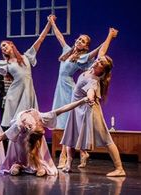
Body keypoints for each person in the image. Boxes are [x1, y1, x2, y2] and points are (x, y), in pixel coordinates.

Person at [61, 27, 126, 177]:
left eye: (101, 63)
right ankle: (69, 163)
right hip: (76, 109)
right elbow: (102, 51)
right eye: (98, 60)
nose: (98, 61)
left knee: (105, 138)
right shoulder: (92, 67)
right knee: (70, 137)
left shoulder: (94, 80)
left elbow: (91, 93)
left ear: (102, 70)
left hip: (90, 111)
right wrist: (109, 35)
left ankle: (119, 168)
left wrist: (90, 99)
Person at [0, 97, 88, 177]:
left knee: (38, 162)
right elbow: (0, 138)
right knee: (20, 158)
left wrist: (82, 101)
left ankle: (35, 165)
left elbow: (63, 109)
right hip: (19, 142)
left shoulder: (41, 117)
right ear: (27, 127)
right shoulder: (18, 126)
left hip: (33, 140)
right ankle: (18, 165)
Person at [48, 15, 107, 169]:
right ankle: (81, 153)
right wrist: (52, 22)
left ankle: (66, 157)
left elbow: (98, 51)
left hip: (68, 88)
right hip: (60, 88)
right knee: (62, 122)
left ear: (86, 47)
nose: (79, 41)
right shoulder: (68, 51)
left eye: (83, 41)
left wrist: (109, 37)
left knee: (67, 123)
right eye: (79, 39)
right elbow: (60, 37)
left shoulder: (83, 57)